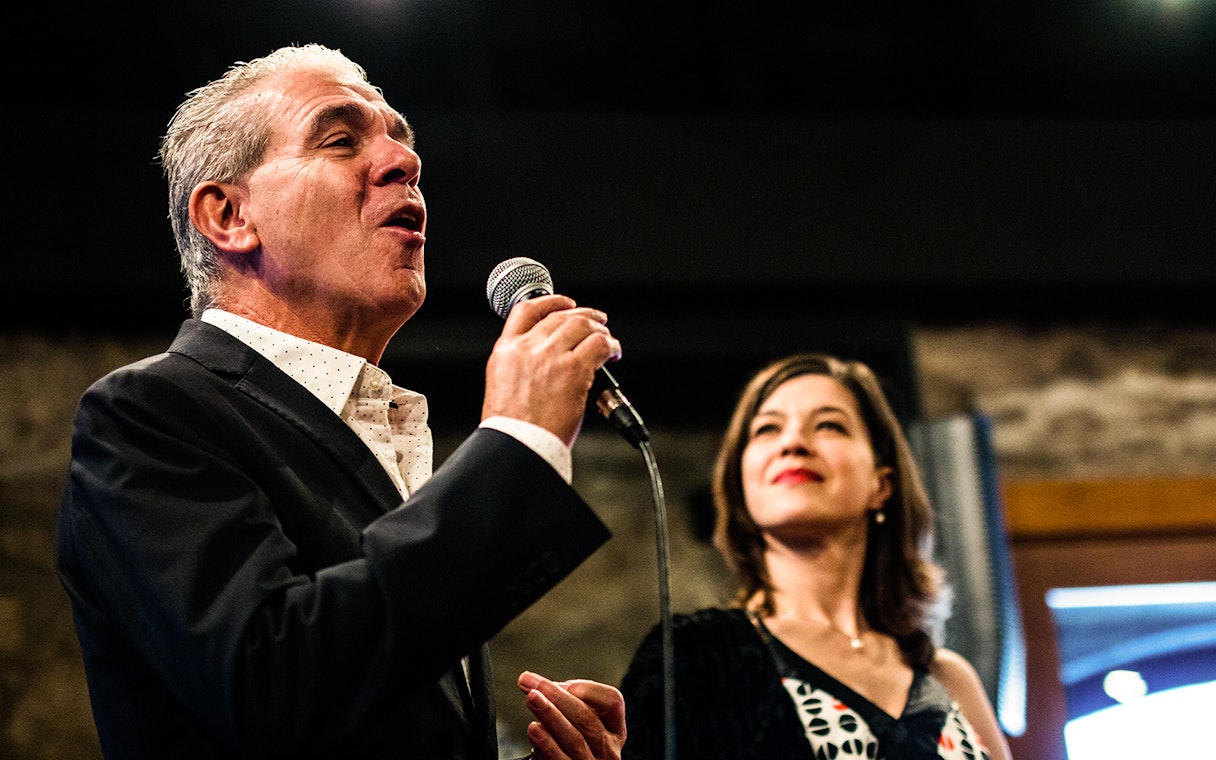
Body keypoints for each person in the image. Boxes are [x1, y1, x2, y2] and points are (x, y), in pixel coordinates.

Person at [55, 43, 626, 760]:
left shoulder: (370, 430)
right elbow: (274, 690)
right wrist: (515, 443)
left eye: (401, 140)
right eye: (340, 139)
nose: (404, 162)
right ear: (229, 215)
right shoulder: (149, 414)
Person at [620, 353, 1011, 760]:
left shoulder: (947, 676)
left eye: (829, 425)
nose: (792, 444)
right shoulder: (696, 656)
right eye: (768, 429)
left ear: (882, 483)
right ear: (741, 485)